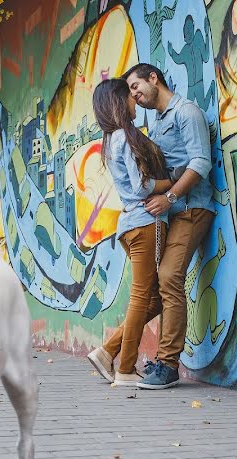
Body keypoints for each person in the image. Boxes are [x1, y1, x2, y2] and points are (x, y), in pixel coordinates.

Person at [115, 62, 216, 390]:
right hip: (170, 213)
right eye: (130, 92)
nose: (134, 95)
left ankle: (168, 364)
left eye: (135, 86)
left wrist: (169, 196)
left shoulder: (186, 112)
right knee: (155, 288)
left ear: (153, 78)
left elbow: (201, 161)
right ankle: (112, 352)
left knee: (169, 276)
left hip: (191, 209)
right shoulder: (156, 124)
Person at [86, 78, 174, 386]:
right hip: (143, 222)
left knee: (154, 299)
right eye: (131, 97)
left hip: (130, 226)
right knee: (142, 298)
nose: (135, 101)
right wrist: (168, 185)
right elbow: (141, 186)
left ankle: (108, 352)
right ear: (119, 101)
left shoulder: (112, 140)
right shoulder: (124, 136)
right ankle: (124, 368)